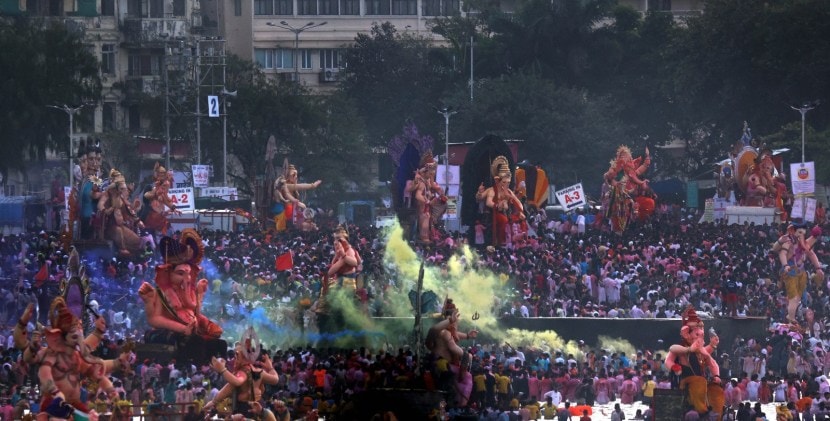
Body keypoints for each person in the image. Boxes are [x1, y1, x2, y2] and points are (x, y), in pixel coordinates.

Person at [138, 229, 225, 363]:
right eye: (180, 274)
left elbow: (194, 310)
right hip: (179, 333)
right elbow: (154, 319)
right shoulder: (160, 292)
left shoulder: (189, 289)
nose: (187, 278)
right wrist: (149, 302)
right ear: (168, 273)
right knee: (194, 343)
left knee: (218, 342)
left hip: (193, 329)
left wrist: (200, 295)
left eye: (189, 274)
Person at [203, 328, 279, 418]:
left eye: (236, 355)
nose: (235, 359)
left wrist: (223, 370)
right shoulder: (259, 371)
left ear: (241, 355)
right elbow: (275, 379)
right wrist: (270, 368)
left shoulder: (243, 372)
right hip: (258, 406)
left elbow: (236, 382)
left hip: (247, 409)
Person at [665, 306, 724, 419]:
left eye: (701, 335)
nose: (700, 338)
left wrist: (716, 376)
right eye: (697, 335)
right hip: (685, 379)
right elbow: (668, 360)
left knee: (716, 389)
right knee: (699, 381)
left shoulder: (700, 350)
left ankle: (717, 415)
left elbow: (712, 363)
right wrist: (674, 367)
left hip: (701, 380)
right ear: (686, 333)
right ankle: (704, 411)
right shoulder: (680, 348)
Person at [425, 298, 478, 408]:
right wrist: (466, 356)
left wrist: (468, 336)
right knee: (467, 378)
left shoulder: (447, 332)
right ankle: (462, 406)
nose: (457, 323)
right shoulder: (444, 333)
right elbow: (434, 330)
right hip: (442, 367)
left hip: (447, 366)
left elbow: (456, 334)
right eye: (456, 321)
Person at [773, 222, 825, 323]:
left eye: (803, 233)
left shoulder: (803, 243)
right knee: (794, 297)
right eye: (799, 232)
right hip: (790, 271)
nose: (801, 235)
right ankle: (790, 317)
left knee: (798, 297)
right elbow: (782, 254)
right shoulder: (788, 242)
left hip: (801, 272)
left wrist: (818, 268)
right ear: (793, 231)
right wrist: (786, 265)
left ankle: (791, 315)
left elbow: (811, 254)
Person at [316, 225, 362, 335]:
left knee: (337, 309)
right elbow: (358, 262)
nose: (335, 245)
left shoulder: (348, 251)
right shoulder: (344, 252)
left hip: (346, 283)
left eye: (338, 242)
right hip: (343, 281)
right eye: (335, 243)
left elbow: (355, 263)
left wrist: (343, 257)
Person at [476, 156, 525, 247]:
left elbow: (519, 204)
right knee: (503, 220)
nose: (506, 185)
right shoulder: (492, 190)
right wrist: (480, 192)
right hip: (494, 213)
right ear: (498, 180)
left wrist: (520, 210)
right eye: (504, 182)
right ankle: (502, 240)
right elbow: (486, 201)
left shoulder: (509, 191)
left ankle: (512, 239)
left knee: (515, 221)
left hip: (506, 213)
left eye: (508, 183)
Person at [407, 151, 447, 244]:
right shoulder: (420, 182)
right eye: (430, 174)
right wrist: (428, 202)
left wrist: (440, 193)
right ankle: (424, 238)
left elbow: (434, 185)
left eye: (433, 174)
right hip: (423, 207)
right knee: (425, 218)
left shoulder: (428, 180)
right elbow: (417, 195)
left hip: (428, 206)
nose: (431, 176)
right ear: (425, 172)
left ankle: (430, 237)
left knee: (430, 218)